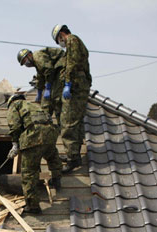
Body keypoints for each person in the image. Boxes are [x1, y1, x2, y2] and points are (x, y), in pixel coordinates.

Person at [6, 93, 62, 214]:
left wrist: (15, 144)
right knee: (52, 156)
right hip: (51, 133)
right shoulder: (34, 105)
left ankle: (33, 206)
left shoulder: (14, 105)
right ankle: (57, 179)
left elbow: (14, 125)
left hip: (34, 136)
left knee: (29, 172)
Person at [51, 24, 92, 173]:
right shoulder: (77, 42)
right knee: (76, 122)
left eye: (58, 40)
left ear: (61, 34)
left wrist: (67, 83)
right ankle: (74, 155)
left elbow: (72, 63)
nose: (60, 43)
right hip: (80, 87)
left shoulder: (72, 40)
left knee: (67, 122)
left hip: (75, 87)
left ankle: (73, 159)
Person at [17, 47, 66, 125]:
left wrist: (48, 87)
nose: (26, 63)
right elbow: (40, 77)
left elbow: (49, 70)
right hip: (55, 71)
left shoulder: (37, 56)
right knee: (46, 102)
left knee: (56, 97)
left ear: (29, 55)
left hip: (61, 68)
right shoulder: (37, 64)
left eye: (25, 60)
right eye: (24, 63)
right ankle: (46, 123)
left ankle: (61, 123)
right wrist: (39, 91)